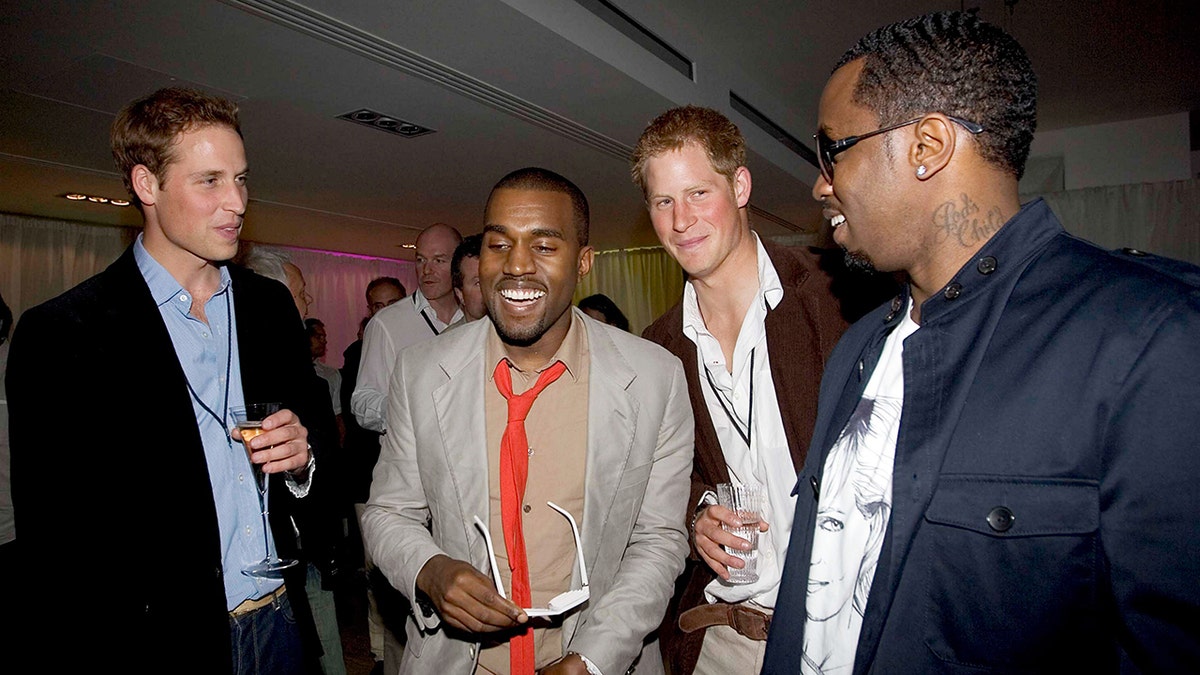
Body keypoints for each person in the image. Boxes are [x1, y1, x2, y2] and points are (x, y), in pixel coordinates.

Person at [764, 11, 1200, 673]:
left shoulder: (1148, 338)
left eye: (833, 150)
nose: (821, 183)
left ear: (927, 146)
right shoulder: (857, 351)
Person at [6, 87, 327, 673]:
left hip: (283, 621)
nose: (236, 202)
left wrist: (303, 461)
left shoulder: (270, 307)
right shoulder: (63, 333)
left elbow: (320, 449)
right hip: (160, 643)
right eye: (210, 181)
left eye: (242, 178)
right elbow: (53, 547)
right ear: (146, 185)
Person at [361, 167, 694, 674]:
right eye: (499, 245)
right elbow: (387, 513)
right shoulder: (422, 371)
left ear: (583, 262)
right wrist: (428, 569)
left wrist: (591, 660)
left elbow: (659, 540)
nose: (516, 267)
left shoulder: (654, 378)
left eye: (543, 246)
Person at [633, 105, 848, 674]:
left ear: (741, 186)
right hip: (725, 640)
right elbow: (660, 481)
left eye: (699, 193)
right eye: (663, 201)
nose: (682, 220)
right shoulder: (656, 351)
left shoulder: (837, 298)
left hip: (843, 634)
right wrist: (698, 511)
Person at [339, 276, 407, 674]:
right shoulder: (357, 353)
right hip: (368, 475)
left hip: (404, 475)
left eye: (390, 303)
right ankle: (381, 653)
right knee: (375, 569)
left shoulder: (421, 339)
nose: (383, 313)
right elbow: (356, 415)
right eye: (375, 306)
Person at [352, 224, 464, 433]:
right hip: (411, 458)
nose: (426, 270)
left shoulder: (476, 317)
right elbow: (362, 402)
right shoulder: (386, 323)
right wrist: (408, 410)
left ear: (459, 264)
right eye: (420, 260)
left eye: (439, 260)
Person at [450, 233, 487, 322]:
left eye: (493, 280)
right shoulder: (453, 336)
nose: (488, 289)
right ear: (460, 294)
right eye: (478, 283)